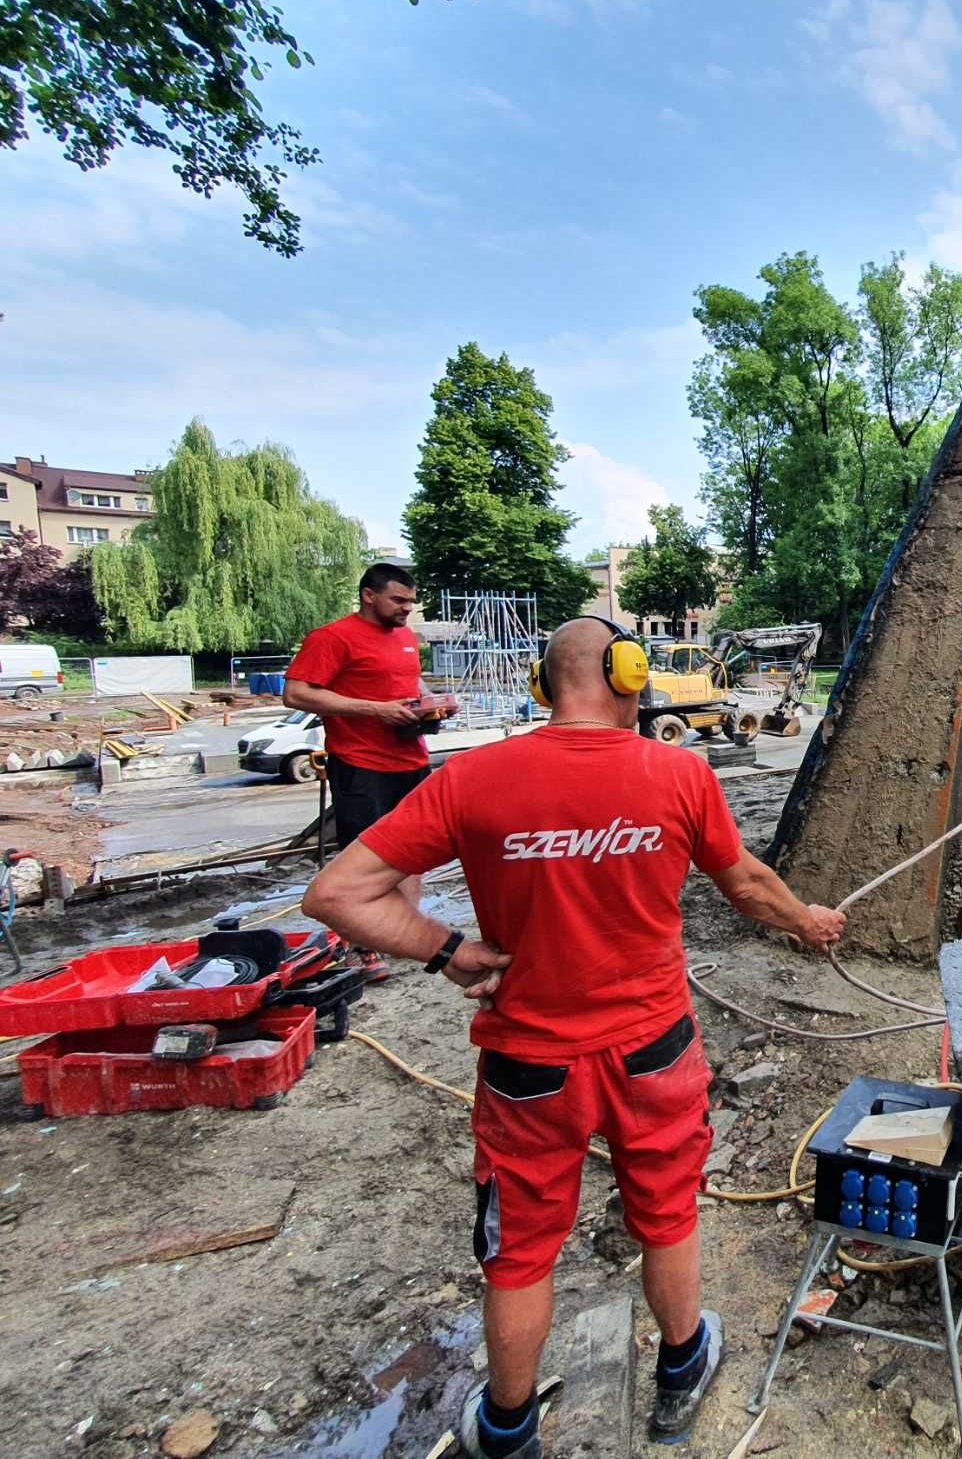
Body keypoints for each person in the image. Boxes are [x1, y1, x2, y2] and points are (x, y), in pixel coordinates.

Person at [301, 616, 845, 1456]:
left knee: (518, 1252)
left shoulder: (473, 778)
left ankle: (508, 1427)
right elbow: (746, 884)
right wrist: (807, 923)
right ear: (631, 675)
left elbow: (339, 894)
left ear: (541, 686)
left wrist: (447, 950)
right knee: (666, 1216)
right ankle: (680, 1369)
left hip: (526, 1067)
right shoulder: (680, 774)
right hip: (654, 1053)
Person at [286, 562, 448, 906]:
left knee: (413, 851)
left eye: (411, 602)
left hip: (410, 760)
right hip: (361, 765)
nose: (407, 608)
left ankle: (405, 927)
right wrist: (376, 709)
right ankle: (363, 944)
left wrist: (432, 704)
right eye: (398, 600)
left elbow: (408, 683)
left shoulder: (405, 637)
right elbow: (296, 694)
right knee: (365, 857)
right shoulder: (332, 637)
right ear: (368, 596)